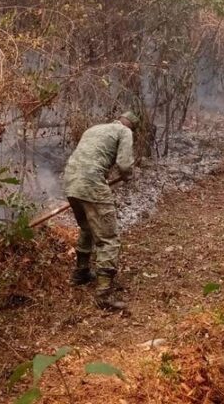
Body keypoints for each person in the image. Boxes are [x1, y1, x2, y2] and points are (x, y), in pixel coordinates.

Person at [63, 110, 139, 311]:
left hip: (70, 182)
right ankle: (103, 294)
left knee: (87, 227)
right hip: (92, 184)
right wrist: (128, 175)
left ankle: (81, 273)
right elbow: (124, 164)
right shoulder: (125, 132)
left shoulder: (94, 128)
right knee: (108, 237)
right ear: (131, 126)